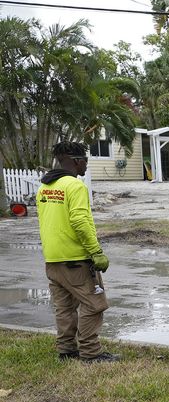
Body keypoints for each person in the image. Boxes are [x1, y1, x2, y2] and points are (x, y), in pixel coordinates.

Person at [36, 141, 118, 363]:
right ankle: (91, 353)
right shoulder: (74, 186)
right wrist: (96, 252)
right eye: (85, 161)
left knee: (65, 307)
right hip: (76, 260)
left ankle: (66, 350)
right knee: (95, 304)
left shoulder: (45, 187)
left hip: (52, 260)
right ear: (75, 161)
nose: (86, 166)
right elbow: (80, 221)